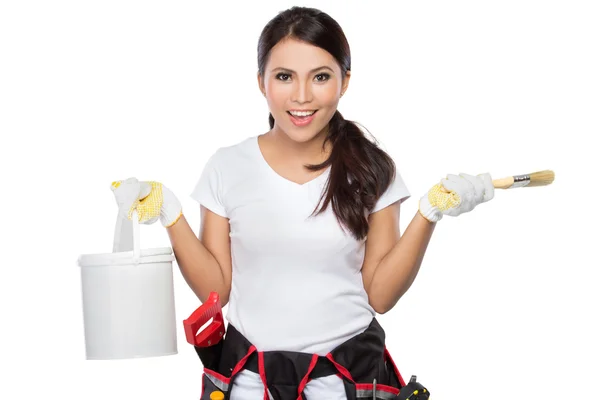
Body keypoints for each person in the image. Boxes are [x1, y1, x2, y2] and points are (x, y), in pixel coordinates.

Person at [111, 6, 495, 400]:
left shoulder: (372, 169)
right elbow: (217, 289)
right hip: (249, 384)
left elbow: (381, 295)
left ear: (345, 82)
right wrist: (170, 214)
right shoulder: (226, 167)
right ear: (261, 82)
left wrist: (429, 214)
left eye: (321, 77)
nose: (301, 96)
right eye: (284, 77)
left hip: (344, 383)